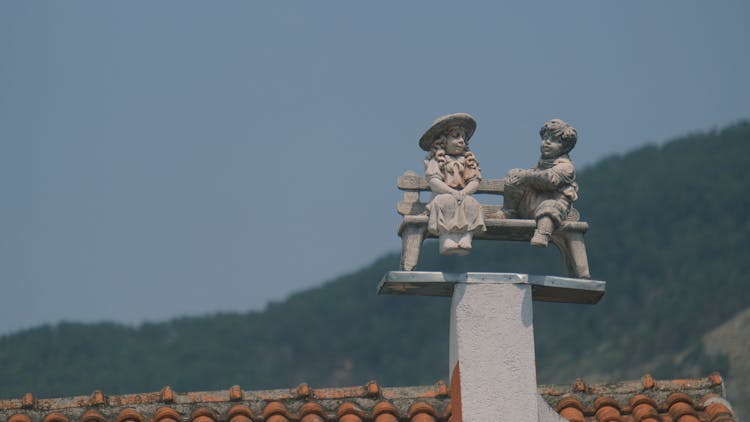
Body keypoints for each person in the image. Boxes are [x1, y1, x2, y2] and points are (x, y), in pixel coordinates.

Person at [501, 118, 579, 247]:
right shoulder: (541, 164)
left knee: (549, 207)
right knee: (514, 173)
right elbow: (534, 175)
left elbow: (550, 180)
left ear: (565, 147)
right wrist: (519, 175)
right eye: (545, 138)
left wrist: (526, 175)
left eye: (554, 140)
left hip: (553, 210)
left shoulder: (566, 166)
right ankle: (509, 212)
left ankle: (543, 233)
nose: (547, 142)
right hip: (529, 207)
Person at [420, 113, 486, 255]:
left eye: (463, 137)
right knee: (444, 202)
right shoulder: (437, 160)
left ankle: (466, 238)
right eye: (456, 136)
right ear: (443, 141)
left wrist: (464, 192)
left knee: (471, 204)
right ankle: (447, 239)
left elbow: (474, 181)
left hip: (462, 196)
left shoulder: (467, 161)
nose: (461, 140)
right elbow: (434, 181)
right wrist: (450, 192)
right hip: (443, 196)